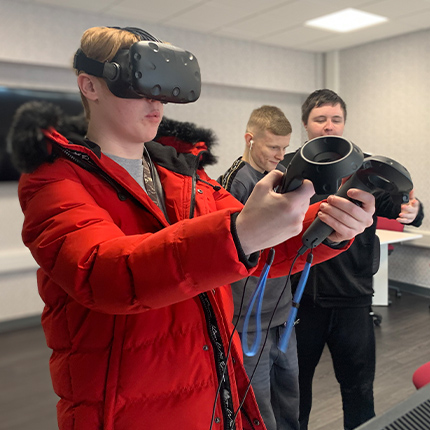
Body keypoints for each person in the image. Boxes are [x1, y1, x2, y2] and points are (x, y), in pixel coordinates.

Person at [8, 26, 376, 430]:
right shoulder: (54, 178)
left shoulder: (185, 176)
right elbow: (104, 272)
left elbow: (261, 248)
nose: (156, 100)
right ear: (89, 85)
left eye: (161, 87)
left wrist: (330, 224)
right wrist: (240, 233)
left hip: (213, 386)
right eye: (139, 84)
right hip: (125, 407)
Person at [281, 89, 424, 430]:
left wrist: (414, 210)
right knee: (294, 393)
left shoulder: (367, 169)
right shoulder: (286, 167)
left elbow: (401, 208)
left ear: (344, 123)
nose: (329, 126)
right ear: (306, 124)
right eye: (320, 119)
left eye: (336, 119)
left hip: (353, 298)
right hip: (301, 300)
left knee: (359, 391)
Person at [218, 105, 300, 430]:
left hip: (282, 312)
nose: (280, 155)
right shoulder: (235, 185)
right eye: (273, 147)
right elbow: (230, 255)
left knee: (289, 397)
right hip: (250, 318)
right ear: (250, 140)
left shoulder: (278, 177)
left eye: (285, 147)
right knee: (260, 406)